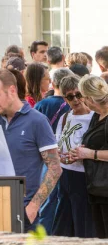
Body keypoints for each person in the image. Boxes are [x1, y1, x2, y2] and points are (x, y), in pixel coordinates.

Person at [0, 69, 61, 232]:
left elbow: (55, 168)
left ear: (12, 91)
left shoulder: (37, 121)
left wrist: (33, 207)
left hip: (24, 212)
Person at [52, 75, 95, 238]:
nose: (76, 100)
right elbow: (57, 142)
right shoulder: (64, 117)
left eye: (78, 94)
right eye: (70, 97)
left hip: (83, 176)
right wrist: (59, 155)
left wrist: (83, 153)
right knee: (62, 224)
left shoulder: (94, 117)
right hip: (65, 174)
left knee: (83, 223)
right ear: (65, 98)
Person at [34, 67, 72, 234]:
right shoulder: (70, 105)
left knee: (46, 202)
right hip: (66, 159)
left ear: (54, 83)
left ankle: (43, 236)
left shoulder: (42, 104)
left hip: (44, 159)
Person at [69, 75, 108, 238]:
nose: (82, 100)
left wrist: (90, 153)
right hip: (96, 187)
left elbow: (93, 151)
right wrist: (79, 152)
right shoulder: (96, 115)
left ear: (91, 98)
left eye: (83, 97)